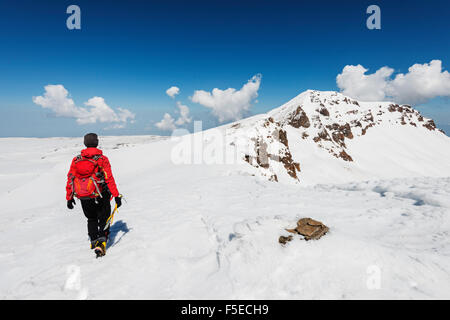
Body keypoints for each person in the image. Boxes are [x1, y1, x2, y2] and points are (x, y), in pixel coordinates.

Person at [66, 133, 122, 256]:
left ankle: (93, 240)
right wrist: (116, 196)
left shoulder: (76, 159)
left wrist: (69, 197)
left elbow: (70, 178)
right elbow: (109, 179)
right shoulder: (102, 159)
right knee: (104, 217)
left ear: (85, 144)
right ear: (97, 143)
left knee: (91, 218)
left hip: (83, 195)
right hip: (101, 194)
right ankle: (101, 241)